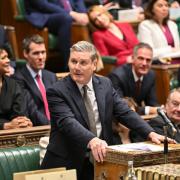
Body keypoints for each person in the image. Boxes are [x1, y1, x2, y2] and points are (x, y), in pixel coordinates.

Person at [40, 41, 174, 180]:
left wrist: (150, 133)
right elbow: (67, 122)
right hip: (66, 164)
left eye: (83, 63)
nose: (77, 67)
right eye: (73, 61)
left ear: (94, 64)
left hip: (100, 161)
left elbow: (124, 112)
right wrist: (92, 140)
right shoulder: (56, 91)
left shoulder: (104, 84)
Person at [24, 0, 89, 71]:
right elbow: (43, 5)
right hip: (45, 15)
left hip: (69, 15)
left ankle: (93, 65)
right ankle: (69, 67)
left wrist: (82, 13)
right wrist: (71, 14)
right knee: (66, 18)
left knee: (95, 16)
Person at [0, 47, 48, 129]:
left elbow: (20, 113)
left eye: (7, 57)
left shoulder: (13, 84)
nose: (8, 60)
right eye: (3, 58)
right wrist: (5, 125)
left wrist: (23, 122)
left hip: (13, 134)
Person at [13, 34, 57, 124]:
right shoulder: (18, 79)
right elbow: (32, 111)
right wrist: (52, 127)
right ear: (25, 53)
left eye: (43, 52)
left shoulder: (51, 76)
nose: (41, 57)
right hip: (39, 129)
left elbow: (60, 105)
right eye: (36, 53)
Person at [108, 42, 159, 115]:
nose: (144, 63)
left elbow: (152, 104)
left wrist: (159, 109)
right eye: (141, 58)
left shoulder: (150, 75)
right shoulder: (117, 76)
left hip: (137, 116)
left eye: (148, 60)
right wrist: (147, 110)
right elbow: (120, 107)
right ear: (132, 59)